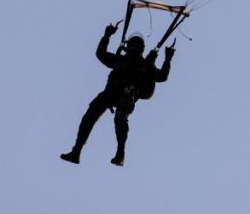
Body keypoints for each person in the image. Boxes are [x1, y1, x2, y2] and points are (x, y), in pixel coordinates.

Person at [60, 22, 175, 166]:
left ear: (141, 48)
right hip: (110, 93)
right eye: (132, 43)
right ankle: (76, 152)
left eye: (137, 44)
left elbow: (162, 76)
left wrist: (168, 59)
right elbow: (101, 54)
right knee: (89, 115)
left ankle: (120, 154)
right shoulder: (120, 59)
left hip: (127, 95)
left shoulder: (145, 65)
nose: (134, 47)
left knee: (120, 118)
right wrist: (106, 36)